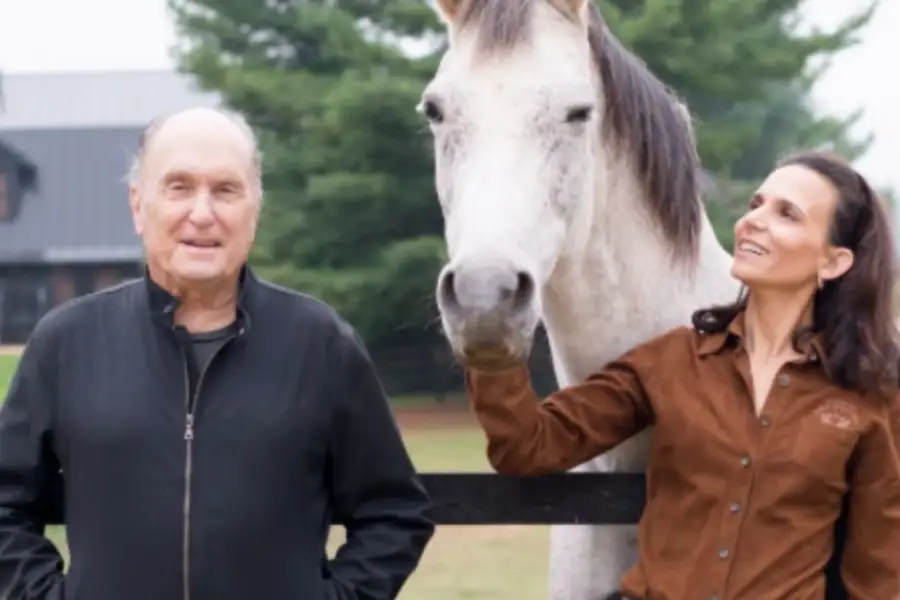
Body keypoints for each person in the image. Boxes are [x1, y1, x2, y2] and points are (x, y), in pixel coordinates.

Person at [0, 107, 434, 600]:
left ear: (255, 210)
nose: (202, 213)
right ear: (139, 205)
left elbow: (393, 513)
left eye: (226, 190)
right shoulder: (67, 343)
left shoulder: (320, 343)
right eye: (179, 187)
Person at [463, 149, 900, 600]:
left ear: (833, 262)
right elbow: (529, 446)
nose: (754, 221)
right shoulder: (672, 360)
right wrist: (489, 342)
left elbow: (878, 572)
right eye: (756, 204)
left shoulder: (870, 393)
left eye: (787, 214)